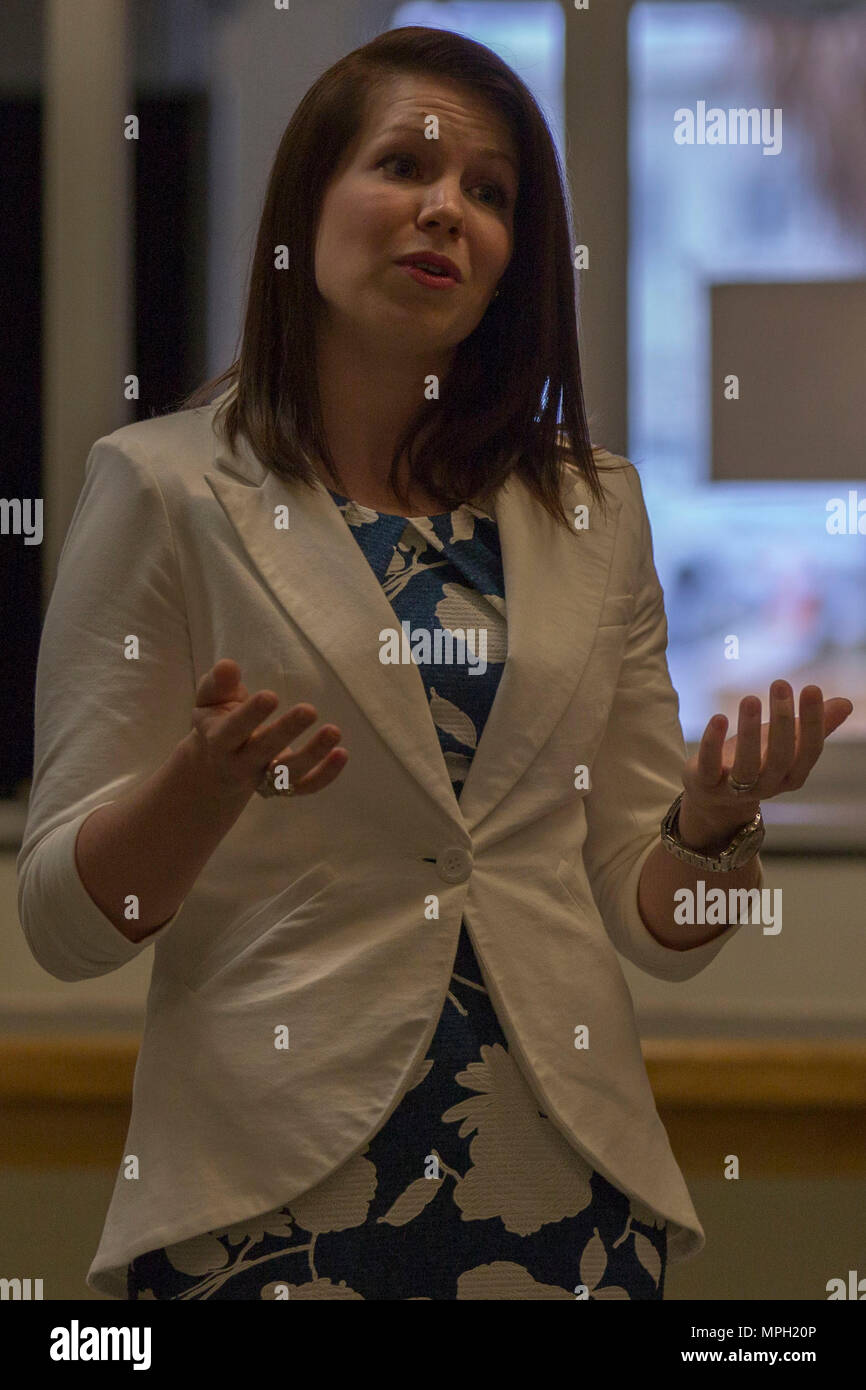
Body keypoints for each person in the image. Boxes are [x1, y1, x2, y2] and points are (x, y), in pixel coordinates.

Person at [17, 26, 852, 1301]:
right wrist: (198, 785)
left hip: (563, 1183)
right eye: (403, 165)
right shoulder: (163, 486)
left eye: (490, 193)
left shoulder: (596, 507)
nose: (445, 210)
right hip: (268, 1188)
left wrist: (711, 825)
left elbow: (663, 928)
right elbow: (68, 931)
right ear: (305, 208)